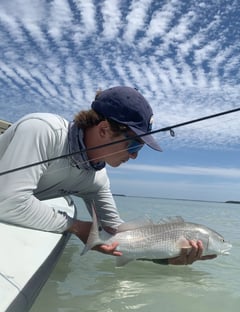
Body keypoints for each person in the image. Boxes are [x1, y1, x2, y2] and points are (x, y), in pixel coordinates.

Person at [0, 86, 216, 265]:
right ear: (104, 129)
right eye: (133, 144)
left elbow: (116, 230)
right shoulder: (42, 131)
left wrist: (167, 256)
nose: (133, 156)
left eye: (139, 149)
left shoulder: (97, 179)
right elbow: (8, 201)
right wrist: (75, 226)